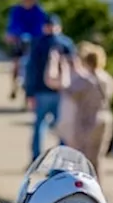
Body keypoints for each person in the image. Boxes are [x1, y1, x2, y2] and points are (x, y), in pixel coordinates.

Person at [57, 43, 113, 175]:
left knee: (83, 159)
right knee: (98, 158)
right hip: (105, 117)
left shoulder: (85, 80)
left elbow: (67, 90)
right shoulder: (107, 79)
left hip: (87, 119)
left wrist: (65, 70)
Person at [24, 14, 75, 161]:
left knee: (39, 126)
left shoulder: (38, 43)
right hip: (62, 92)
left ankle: (36, 158)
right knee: (62, 127)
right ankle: (62, 159)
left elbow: (31, 70)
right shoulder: (66, 44)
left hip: (41, 91)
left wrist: (29, 93)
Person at [5, 0, 48, 101]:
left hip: (34, 42)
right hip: (19, 41)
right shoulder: (16, 10)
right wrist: (11, 35)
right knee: (16, 64)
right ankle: (14, 87)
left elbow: (41, 27)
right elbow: (12, 26)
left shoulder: (39, 11)